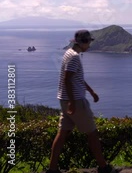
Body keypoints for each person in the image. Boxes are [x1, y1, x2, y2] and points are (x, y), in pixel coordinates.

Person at [46, 30, 115, 173]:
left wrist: (91, 91)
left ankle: (52, 169)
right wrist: (72, 101)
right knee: (92, 134)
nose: (90, 45)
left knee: (63, 133)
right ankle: (103, 167)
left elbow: (75, 78)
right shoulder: (74, 57)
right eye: (89, 42)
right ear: (84, 42)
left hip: (64, 100)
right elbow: (67, 79)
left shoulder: (68, 54)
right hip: (76, 101)